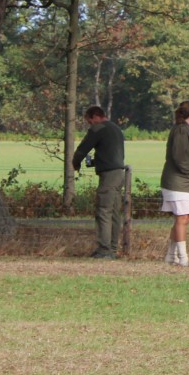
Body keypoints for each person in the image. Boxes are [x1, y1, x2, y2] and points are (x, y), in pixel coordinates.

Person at [71, 104, 126, 259]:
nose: (90, 125)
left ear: (95, 117)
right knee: (114, 212)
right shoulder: (116, 129)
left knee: (103, 211)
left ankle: (104, 250)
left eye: (90, 121)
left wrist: (75, 162)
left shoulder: (98, 129)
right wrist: (96, 162)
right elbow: (111, 154)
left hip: (108, 176)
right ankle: (113, 248)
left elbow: (83, 148)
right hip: (119, 173)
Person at [160, 100, 189, 267]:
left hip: (184, 182)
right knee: (182, 218)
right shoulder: (182, 130)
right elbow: (178, 156)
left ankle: (171, 255)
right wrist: (187, 170)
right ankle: (183, 257)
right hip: (179, 182)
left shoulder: (182, 129)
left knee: (184, 218)